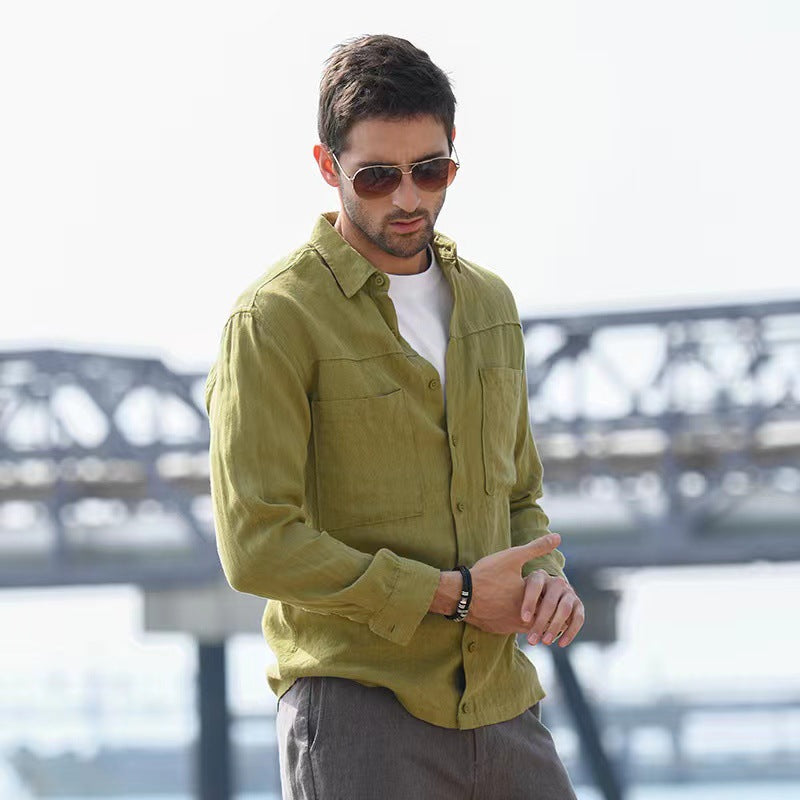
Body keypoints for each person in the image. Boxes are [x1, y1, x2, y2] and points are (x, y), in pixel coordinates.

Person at [205, 33, 585, 800]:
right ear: (328, 166)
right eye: (377, 176)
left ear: (453, 157)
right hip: (359, 710)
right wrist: (455, 594)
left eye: (430, 170)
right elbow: (257, 546)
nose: (408, 198)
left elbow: (517, 496)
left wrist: (544, 580)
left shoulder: (490, 305)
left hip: (501, 703)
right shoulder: (275, 321)